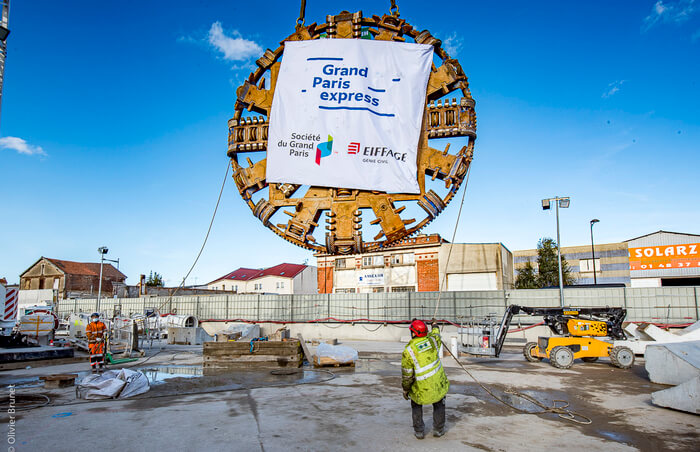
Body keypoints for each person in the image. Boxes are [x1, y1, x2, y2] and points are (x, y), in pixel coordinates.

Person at [401, 318, 449, 439]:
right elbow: (436, 333)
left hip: (420, 388)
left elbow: (407, 376)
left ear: (413, 333)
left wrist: (406, 389)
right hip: (437, 383)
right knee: (439, 404)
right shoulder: (433, 341)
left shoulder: (409, 351)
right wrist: (434, 324)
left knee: (416, 404)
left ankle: (419, 431)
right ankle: (438, 430)